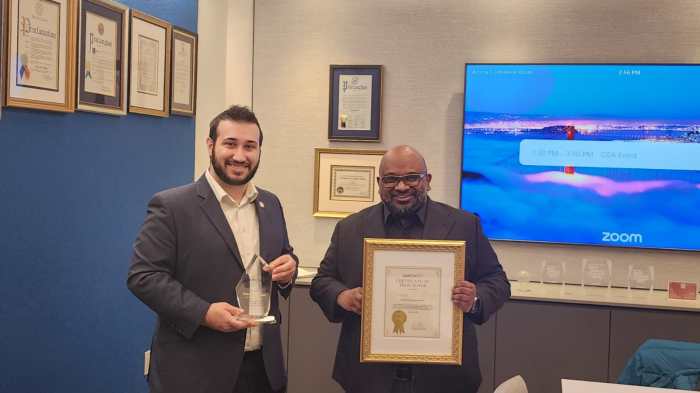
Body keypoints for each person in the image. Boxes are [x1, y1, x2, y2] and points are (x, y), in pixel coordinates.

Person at [310, 145, 510, 393]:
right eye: (391, 179)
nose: (401, 187)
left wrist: (474, 299)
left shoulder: (464, 225)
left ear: (427, 180)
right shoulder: (350, 228)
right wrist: (343, 296)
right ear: (379, 183)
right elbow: (322, 282)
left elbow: (497, 281)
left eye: (412, 178)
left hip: (446, 378)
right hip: (367, 377)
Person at [127, 105, 298, 393]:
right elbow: (143, 276)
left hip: (263, 371)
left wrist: (289, 267)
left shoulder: (271, 204)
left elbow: (285, 254)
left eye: (250, 146)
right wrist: (204, 313)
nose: (240, 156)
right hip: (195, 373)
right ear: (210, 145)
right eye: (230, 144)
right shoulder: (172, 206)